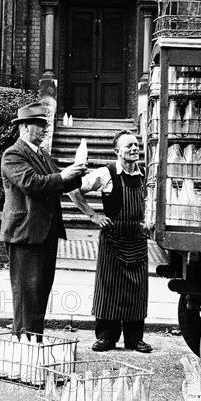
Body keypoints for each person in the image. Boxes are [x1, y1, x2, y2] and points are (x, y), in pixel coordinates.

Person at [0, 102, 86, 336]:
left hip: (44, 231)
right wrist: (63, 175)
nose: (44, 129)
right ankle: (23, 341)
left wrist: (79, 175)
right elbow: (32, 184)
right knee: (27, 293)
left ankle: (33, 339)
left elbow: (59, 182)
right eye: (39, 125)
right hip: (25, 233)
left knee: (40, 290)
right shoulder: (13, 154)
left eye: (45, 124)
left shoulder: (41, 154)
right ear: (24, 127)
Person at [69, 129, 152, 353]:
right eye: (129, 146)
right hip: (113, 240)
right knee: (109, 289)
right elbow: (74, 190)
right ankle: (106, 337)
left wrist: (149, 221)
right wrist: (93, 215)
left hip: (137, 239)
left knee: (137, 290)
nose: (134, 149)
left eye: (136, 145)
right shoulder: (106, 174)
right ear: (117, 151)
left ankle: (134, 339)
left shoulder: (146, 175)